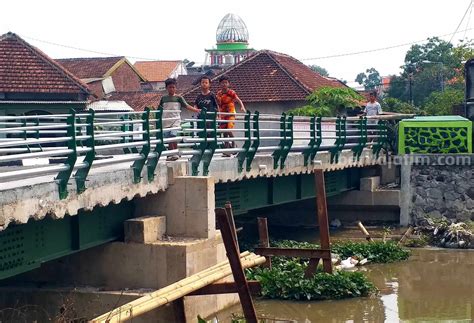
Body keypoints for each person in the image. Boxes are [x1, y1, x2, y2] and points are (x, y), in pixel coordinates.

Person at [158, 78, 199, 161]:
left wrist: (196, 110)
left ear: (175, 88)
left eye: (173, 87)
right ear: (166, 88)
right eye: (170, 87)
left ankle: (175, 153)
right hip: (166, 120)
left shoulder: (179, 98)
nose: (172, 89)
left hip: (175, 120)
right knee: (169, 138)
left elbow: (187, 106)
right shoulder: (163, 98)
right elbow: (159, 109)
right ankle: (171, 154)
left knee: (173, 136)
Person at [216, 75, 246, 157]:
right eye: (222, 83)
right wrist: (218, 114)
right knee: (224, 132)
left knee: (229, 129)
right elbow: (218, 104)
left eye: (226, 83)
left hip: (231, 113)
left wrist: (242, 106)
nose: (224, 84)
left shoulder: (231, 92)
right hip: (223, 114)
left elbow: (238, 100)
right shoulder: (219, 93)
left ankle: (233, 144)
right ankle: (226, 150)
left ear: (229, 84)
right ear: (220, 84)